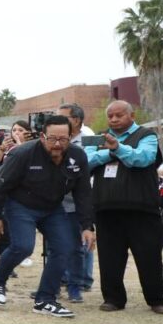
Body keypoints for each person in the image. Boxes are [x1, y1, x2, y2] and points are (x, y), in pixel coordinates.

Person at [0, 115, 95, 319]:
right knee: (24, 246)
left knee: (65, 248)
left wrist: (87, 226)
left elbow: (83, 192)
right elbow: (1, 183)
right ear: (42, 136)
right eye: (52, 138)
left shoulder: (77, 156)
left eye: (63, 139)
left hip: (53, 207)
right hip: (20, 205)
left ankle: (45, 299)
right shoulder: (23, 153)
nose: (57, 144)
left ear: (71, 137)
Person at [84, 101, 163, 314]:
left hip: (142, 208)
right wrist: (110, 153)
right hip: (106, 208)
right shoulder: (98, 137)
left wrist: (118, 148)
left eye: (119, 115)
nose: (113, 119)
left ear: (132, 115)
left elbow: (143, 158)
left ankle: (157, 299)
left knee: (149, 256)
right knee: (110, 257)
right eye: (110, 115)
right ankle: (113, 299)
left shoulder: (147, 135)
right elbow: (87, 161)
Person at [57, 103, 96, 301]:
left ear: (77, 120)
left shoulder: (87, 137)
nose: (59, 121)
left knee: (80, 242)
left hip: (80, 197)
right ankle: (59, 281)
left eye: (64, 117)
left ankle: (81, 282)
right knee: (55, 245)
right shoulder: (53, 138)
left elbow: (91, 162)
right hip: (57, 198)